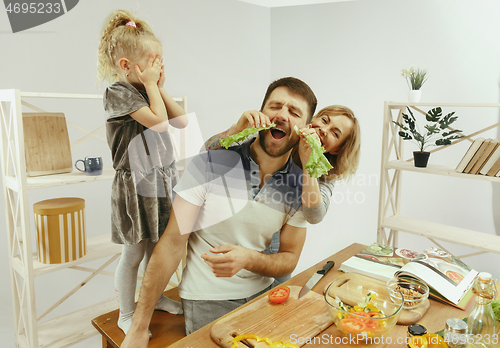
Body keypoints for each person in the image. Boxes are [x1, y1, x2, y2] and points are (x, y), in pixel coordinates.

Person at [121, 77, 317, 347]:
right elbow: (170, 245)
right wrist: (138, 327)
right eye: (275, 106)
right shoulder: (213, 161)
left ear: (305, 128)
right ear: (261, 113)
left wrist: (249, 259)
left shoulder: (301, 185)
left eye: (294, 112)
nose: (282, 115)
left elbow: (289, 258)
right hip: (208, 299)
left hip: (266, 295)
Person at [97, 9, 188, 335]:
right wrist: (151, 86)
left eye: (160, 60)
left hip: (161, 179)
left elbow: (181, 122)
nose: (158, 66)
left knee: (157, 248)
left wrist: (158, 86)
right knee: (133, 252)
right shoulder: (118, 93)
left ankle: (157, 294)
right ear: (126, 66)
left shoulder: (149, 92)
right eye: (152, 61)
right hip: (135, 184)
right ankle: (126, 312)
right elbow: (160, 122)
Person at [205, 105, 361, 282]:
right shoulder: (279, 139)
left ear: (337, 149)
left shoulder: (326, 173)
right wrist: (236, 129)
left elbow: (314, 215)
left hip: (273, 261)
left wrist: (308, 163)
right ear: (313, 119)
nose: (324, 130)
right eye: (324, 120)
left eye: (335, 133)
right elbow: (208, 150)